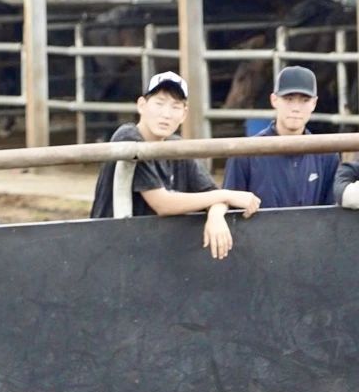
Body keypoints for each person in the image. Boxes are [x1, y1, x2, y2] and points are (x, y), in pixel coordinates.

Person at [90, 72, 260, 260]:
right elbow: (162, 204)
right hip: (109, 251)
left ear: (184, 114)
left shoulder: (177, 147)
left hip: (150, 253)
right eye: (159, 103)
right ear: (142, 105)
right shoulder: (129, 137)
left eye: (175, 106)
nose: (166, 114)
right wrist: (226, 195)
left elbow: (211, 192)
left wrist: (216, 215)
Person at [223, 66, 340, 208]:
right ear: (274, 100)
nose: (296, 108)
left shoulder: (327, 156)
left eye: (304, 100)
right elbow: (229, 208)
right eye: (289, 99)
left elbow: (332, 214)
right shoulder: (244, 154)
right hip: (262, 224)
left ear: (314, 103)